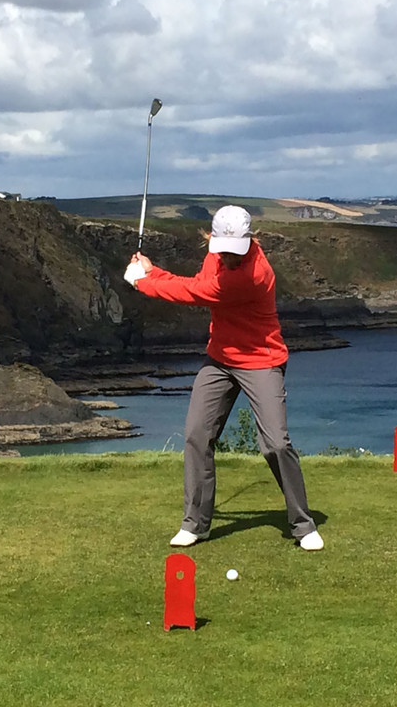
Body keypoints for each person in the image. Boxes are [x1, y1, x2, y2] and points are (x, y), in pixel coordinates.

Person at [124, 205, 323, 551]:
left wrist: (145, 281)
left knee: (276, 443)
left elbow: (196, 294)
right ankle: (195, 524)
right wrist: (152, 271)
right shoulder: (216, 258)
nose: (228, 257)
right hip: (219, 359)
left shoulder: (253, 275)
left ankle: (303, 525)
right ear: (211, 239)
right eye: (222, 250)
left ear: (250, 241)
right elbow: (199, 282)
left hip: (261, 360)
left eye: (235, 251)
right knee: (197, 436)